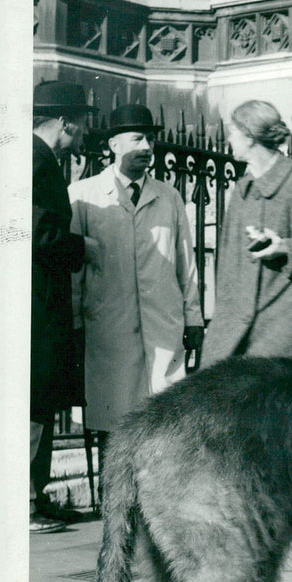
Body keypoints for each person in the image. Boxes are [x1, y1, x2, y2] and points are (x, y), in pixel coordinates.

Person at [69, 104, 204, 472]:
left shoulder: (169, 196)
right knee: (112, 416)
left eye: (152, 139)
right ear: (114, 145)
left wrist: (194, 318)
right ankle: (113, 491)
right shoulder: (83, 196)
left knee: (163, 416)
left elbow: (185, 262)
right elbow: (75, 272)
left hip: (163, 322)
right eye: (138, 138)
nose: (148, 146)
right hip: (107, 325)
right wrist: (77, 321)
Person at [201, 100, 292, 367]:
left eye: (232, 132)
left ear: (249, 137)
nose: (228, 139)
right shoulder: (243, 190)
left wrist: (285, 248)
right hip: (238, 322)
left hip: (290, 323)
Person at [30, 81, 100, 532]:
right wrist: (83, 247)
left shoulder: (42, 158)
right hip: (35, 301)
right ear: (66, 121)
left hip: (43, 302)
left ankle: (37, 495)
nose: (84, 133)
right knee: (32, 402)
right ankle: (25, 505)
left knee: (42, 401)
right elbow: (35, 233)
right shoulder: (35, 161)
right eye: (83, 124)